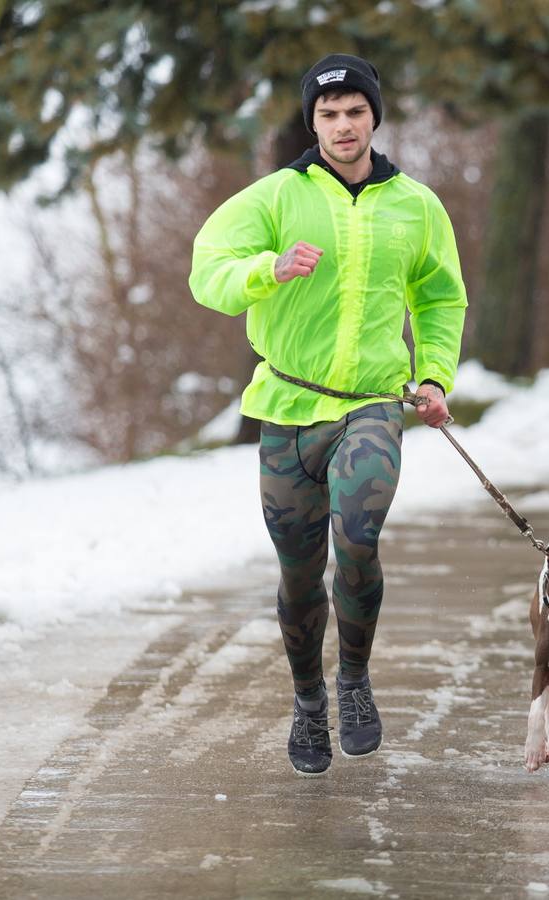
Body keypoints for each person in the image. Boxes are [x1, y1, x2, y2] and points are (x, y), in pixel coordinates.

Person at [189, 53, 467, 777]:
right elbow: (207, 274)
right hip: (285, 408)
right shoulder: (275, 198)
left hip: (372, 404)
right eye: (327, 114)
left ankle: (354, 679)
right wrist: (267, 269)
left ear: (374, 115)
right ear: (311, 121)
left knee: (360, 533)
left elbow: (441, 298)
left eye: (354, 112)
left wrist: (433, 375)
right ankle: (309, 700)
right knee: (298, 573)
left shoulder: (415, 204)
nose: (342, 126)